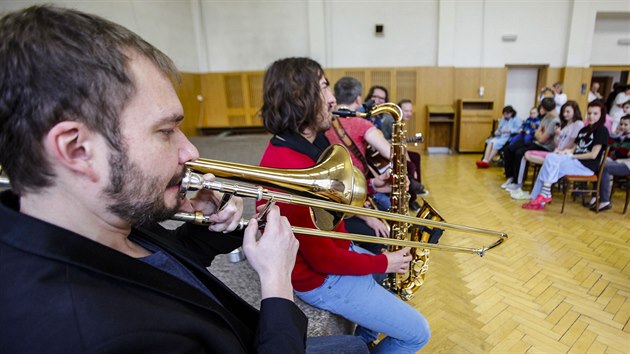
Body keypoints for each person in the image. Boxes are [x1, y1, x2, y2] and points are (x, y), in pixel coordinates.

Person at [0, 6, 368, 354]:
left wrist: (206, 231)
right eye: (165, 131)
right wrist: (276, 285)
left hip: (244, 332)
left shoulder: (96, 216)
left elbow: (155, 268)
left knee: (355, 346)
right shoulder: (95, 335)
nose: (190, 151)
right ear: (77, 149)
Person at [258, 57, 430, 353]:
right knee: (417, 334)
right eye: (324, 86)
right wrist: (384, 261)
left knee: (381, 271)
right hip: (321, 278)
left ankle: (359, 343)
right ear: (301, 98)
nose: (332, 98)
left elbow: (337, 199)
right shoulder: (291, 171)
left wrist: (368, 209)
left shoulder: (313, 141)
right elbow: (323, 261)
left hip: (339, 250)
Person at [324, 76, 391, 245]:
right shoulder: (361, 124)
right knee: (389, 216)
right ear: (359, 99)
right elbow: (392, 153)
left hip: (333, 196)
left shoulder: (324, 124)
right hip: (353, 198)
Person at [523, 101, 610, 210]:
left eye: (595, 113)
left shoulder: (602, 130)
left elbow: (593, 155)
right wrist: (565, 152)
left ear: (602, 114)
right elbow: (576, 148)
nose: (591, 116)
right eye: (589, 113)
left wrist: (572, 156)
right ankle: (539, 199)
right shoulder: (584, 130)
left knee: (550, 160)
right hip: (574, 161)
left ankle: (541, 197)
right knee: (549, 161)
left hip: (586, 166)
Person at [510, 101, 585, 200]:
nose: (564, 114)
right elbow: (556, 144)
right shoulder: (565, 124)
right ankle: (528, 189)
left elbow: (572, 143)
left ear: (575, 111)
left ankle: (535, 193)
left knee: (533, 157)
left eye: (568, 111)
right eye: (563, 111)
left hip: (564, 155)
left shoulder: (578, 124)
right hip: (556, 152)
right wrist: (557, 135)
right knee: (526, 154)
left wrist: (561, 151)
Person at [502, 97, 560, 191]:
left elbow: (542, 139)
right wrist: (539, 133)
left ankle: (518, 182)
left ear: (544, 108)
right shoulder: (546, 117)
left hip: (545, 147)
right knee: (508, 149)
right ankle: (511, 177)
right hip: (536, 142)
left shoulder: (555, 121)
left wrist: (539, 133)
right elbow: (537, 133)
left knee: (519, 153)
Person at [587, 114, 630, 211]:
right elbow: (609, 145)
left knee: (604, 167)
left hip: (627, 164)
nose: (622, 126)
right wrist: (615, 136)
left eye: (625, 125)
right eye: (621, 124)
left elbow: (622, 152)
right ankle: (596, 196)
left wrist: (612, 154)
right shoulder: (620, 136)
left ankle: (604, 201)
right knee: (598, 164)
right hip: (619, 161)